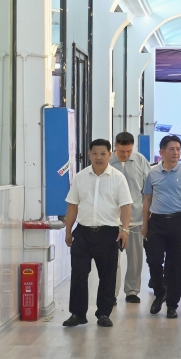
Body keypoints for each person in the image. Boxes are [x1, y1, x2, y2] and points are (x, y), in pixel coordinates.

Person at [63, 139, 133, 328]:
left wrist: (125, 230)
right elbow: (73, 205)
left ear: (109, 155)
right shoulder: (80, 177)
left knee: (107, 275)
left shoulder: (118, 178)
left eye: (103, 153)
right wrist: (68, 229)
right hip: (83, 232)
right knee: (78, 273)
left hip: (108, 233)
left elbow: (125, 206)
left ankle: (103, 314)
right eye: (95, 153)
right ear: (89, 154)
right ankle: (78, 314)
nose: (99, 157)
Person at [142, 135, 181, 319]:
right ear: (162, 152)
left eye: (178, 149)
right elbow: (147, 200)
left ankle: (172, 304)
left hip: (178, 221)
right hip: (157, 222)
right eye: (172, 149)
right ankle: (160, 293)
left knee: (175, 265)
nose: (176, 153)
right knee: (154, 260)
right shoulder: (153, 174)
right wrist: (145, 224)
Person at [111, 132, 151, 304]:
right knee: (112, 260)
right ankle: (111, 293)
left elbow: (149, 188)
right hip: (112, 220)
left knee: (135, 258)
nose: (125, 155)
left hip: (135, 218)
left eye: (129, 151)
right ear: (115, 146)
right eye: (122, 151)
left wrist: (148, 214)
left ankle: (132, 291)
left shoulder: (140, 160)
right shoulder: (108, 161)